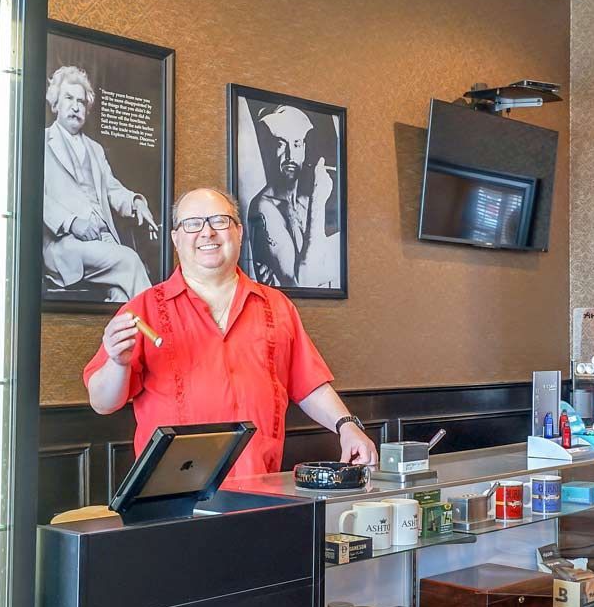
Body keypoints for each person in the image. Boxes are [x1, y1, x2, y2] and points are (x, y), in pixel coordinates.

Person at [84, 187, 377, 479]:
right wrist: (117, 363)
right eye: (192, 223)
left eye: (219, 221)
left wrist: (348, 427)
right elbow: (103, 403)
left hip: (260, 489)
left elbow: (308, 383)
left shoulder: (277, 306)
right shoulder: (142, 310)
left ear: (238, 231)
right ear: (175, 238)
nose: (207, 232)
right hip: (173, 497)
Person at [44, 65, 158, 300]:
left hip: (103, 240)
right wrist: (72, 222)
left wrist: (136, 203)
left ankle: (130, 338)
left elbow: (113, 189)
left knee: (122, 296)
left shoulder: (95, 149)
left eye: (81, 101)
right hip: (65, 245)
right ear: (55, 103)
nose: (76, 106)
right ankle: (164, 333)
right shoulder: (40, 140)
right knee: (130, 260)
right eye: (68, 98)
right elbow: (31, 195)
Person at [244, 102, 339, 290]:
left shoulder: (308, 197)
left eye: (296, 144)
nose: (290, 155)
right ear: (269, 149)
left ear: (303, 148)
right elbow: (301, 282)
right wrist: (318, 202)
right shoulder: (264, 207)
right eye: (281, 144)